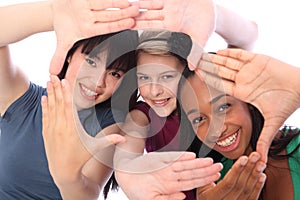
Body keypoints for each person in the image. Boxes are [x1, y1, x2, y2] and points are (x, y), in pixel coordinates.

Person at [178, 54, 300, 199]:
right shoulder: (218, 182)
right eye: (199, 119)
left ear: (249, 102)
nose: (216, 130)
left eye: (223, 107)